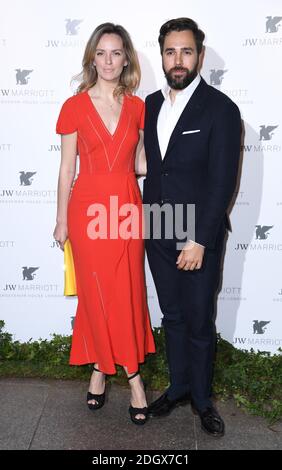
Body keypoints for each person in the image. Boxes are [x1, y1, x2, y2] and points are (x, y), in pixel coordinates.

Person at [143, 18, 241, 436]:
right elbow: (152, 165)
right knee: (172, 314)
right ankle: (179, 385)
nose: (177, 60)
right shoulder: (149, 103)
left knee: (199, 318)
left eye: (186, 51)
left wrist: (199, 238)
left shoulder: (221, 108)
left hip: (196, 231)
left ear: (199, 55)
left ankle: (202, 399)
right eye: (170, 51)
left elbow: (222, 182)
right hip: (156, 225)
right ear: (162, 55)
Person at [53, 22, 155, 425]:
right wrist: (61, 220)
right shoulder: (73, 106)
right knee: (96, 295)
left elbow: (142, 163)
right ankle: (132, 380)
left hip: (127, 207)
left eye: (116, 53)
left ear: (126, 57)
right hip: (88, 209)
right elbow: (65, 171)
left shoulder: (138, 106)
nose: (109, 61)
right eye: (101, 53)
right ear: (92, 58)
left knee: (127, 291)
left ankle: (102, 370)